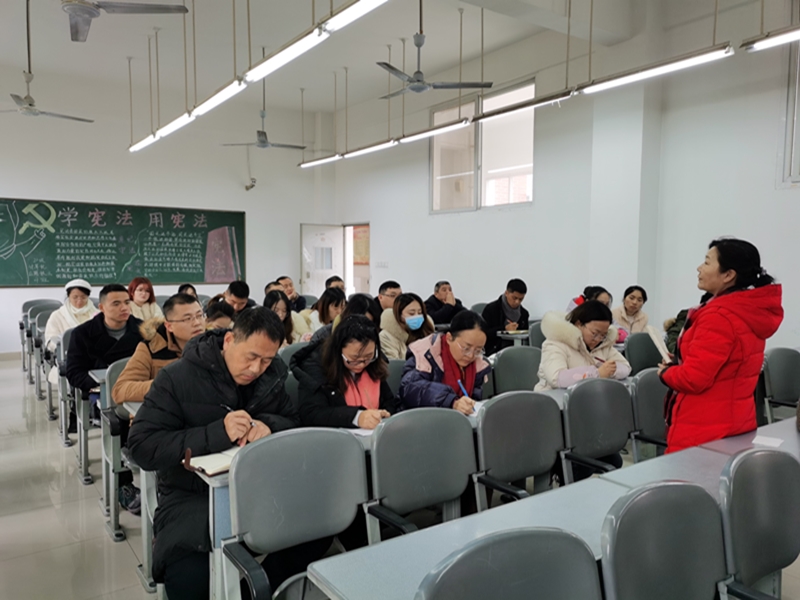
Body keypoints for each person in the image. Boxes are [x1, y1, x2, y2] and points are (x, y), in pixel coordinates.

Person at [128, 308, 326, 599]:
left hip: (261, 489)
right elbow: (142, 446)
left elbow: (293, 421)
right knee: (189, 577)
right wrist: (217, 433)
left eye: (266, 360)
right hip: (192, 496)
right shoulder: (177, 377)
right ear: (230, 340)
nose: (256, 368)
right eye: (251, 357)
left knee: (316, 531)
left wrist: (268, 425)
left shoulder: (271, 376)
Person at [659, 238, 782, 453]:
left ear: (728, 275)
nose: (699, 268)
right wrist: (682, 360)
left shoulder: (719, 316)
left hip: (704, 428)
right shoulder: (745, 310)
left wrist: (665, 373)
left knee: (692, 475)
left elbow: (693, 379)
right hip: (735, 421)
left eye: (707, 262)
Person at [67, 283, 143, 513]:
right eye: (116, 303)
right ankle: (124, 484)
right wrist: (101, 385)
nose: (124, 308)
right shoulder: (82, 334)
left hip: (138, 391)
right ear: (101, 307)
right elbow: (74, 373)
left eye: (127, 302)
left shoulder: (144, 330)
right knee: (119, 423)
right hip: (101, 394)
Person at [112, 294, 205, 403]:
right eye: (187, 319)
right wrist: (168, 384)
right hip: (166, 410)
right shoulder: (151, 348)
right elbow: (120, 390)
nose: (197, 323)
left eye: (200, 316)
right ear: (169, 326)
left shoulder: (215, 344)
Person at [400, 310, 491, 414]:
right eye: (466, 348)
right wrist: (451, 401)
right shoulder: (425, 353)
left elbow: (475, 398)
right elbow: (410, 388)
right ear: (449, 338)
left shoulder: (478, 364)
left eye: (478, 350)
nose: (471, 356)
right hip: (421, 418)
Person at [534, 301, 631, 392]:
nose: (598, 339)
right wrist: (597, 374)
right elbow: (557, 378)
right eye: (595, 333)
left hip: (589, 397)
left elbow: (626, 367)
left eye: (603, 335)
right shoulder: (555, 344)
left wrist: (610, 370)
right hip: (554, 399)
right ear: (579, 324)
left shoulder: (603, 345)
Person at [44, 278, 99, 386]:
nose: (79, 301)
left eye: (83, 297)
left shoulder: (97, 314)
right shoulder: (57, 315)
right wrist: (66, 348)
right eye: (75, 297)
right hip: (70, 357)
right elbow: (51, 339)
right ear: (68, 296)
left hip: (95, 357)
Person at [481, 279, 531, 355]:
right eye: (514, 298)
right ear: (506, 293)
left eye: (521, 299)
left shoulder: (524, 314)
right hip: (493, 351)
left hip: (517, 351)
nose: (517, 302)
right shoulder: (491, 309)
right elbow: (483, 334)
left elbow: (525, 337)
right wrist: (504, 329)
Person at [309, 293, 381, 345]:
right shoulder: (323, 336)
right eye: (361, 323)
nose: (364, 329)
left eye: (369, 325)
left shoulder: (374, 339)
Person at [379, 292, 434, 360]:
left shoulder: (428, 333)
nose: (417, 316)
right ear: (399, 315)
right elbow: (393, 364)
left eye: (420, 313)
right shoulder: (386, 337)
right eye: (411, 313)